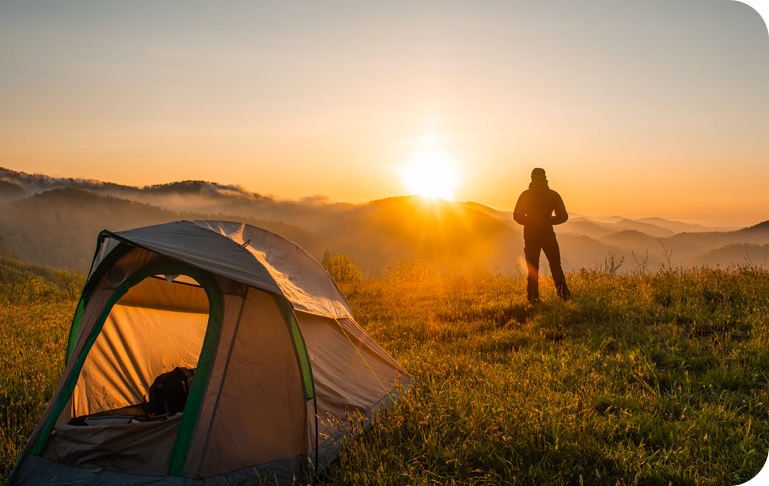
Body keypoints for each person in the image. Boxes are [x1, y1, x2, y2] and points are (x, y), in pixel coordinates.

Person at [513, 168, 570, 303]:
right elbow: (563, 217)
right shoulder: (552, 195)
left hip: (531, 235)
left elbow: (517, 216)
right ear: (545, 178)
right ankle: (564, 296)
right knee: (556, 265)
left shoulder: (526, 195)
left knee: (532, 267)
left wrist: (531, 221)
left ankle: (533, 298)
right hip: (548, 234)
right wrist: (548, 220)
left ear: (532, 179)